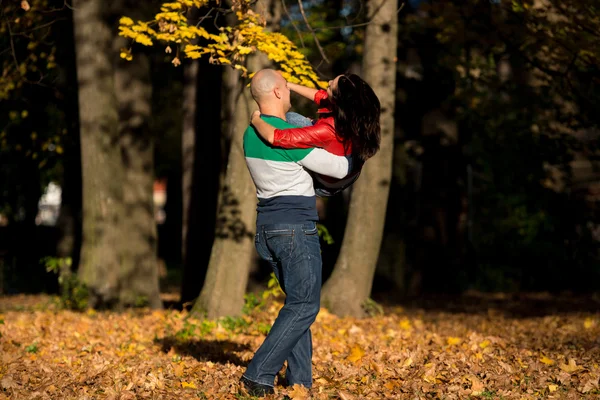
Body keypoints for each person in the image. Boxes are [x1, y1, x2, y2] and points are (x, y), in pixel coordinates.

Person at [240, 69, 350, 397]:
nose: (290, 93)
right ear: (276, 93)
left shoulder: (251, 131)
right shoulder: (286, 134)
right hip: (295, 230)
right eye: (286, 88)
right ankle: (258, 374)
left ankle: (300, 382)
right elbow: (340, 168)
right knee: (305, 306)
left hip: (268, 229)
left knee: (297, 303)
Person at [250, 72, 381, 196]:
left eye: (330, 87)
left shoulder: (327, 130)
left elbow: (276, 137)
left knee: (291, 119)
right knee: (297, 119)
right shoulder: (353, 112)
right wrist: (288, 84)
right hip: (350, 165)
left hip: (327, 184)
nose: (328, 82)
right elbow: (319, 96)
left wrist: (256, 119)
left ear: (336, 99)